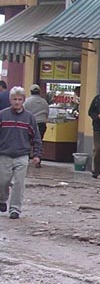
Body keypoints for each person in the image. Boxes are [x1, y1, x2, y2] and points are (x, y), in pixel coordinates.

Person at [0, 86, 42, 220]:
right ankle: (2, 199)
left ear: (23, 100)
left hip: (22, 155)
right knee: (3, 181)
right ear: (10, 100)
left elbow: (36, 137)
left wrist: (37, 154)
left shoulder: (29, 118)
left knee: (19, 183)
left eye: (19, 99)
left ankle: (15, 209)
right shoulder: (3, 115)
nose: (17, 102)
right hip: (4, 154)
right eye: (14, 99)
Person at [24, 85, 49, 158]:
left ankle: (27, 157)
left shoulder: (27, 101)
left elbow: (23, 112)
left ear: (31, 91)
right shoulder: (44, 102)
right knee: (38, 142)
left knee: (27, 142)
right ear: (39, 92)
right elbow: (47, 113)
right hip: (41, 123)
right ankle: (38, 158)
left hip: (30, 124)